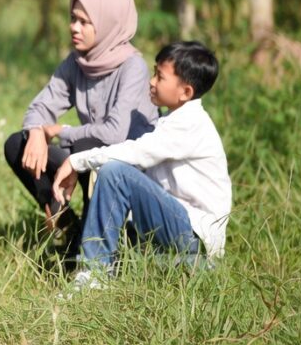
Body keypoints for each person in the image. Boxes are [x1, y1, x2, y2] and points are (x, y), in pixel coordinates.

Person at [52, 41, 231, 286]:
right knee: (132, 255)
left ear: (186, 92)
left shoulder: (190, 124)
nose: (152, 81)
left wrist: (76, 161)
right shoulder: (172, 119)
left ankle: (94, 274)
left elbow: (137, 153)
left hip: (193, 234)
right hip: (179, 226)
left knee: (116, 172)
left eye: (160, 76)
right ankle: (181, 266)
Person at [3, 0, 159, 239]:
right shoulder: (78, 62)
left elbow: (115, 133)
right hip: (88, 153)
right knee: (17, 145)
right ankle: (66, 226)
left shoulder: (133, 67)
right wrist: (35, 133)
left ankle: (94, 242)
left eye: (85, 22)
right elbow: (41, 106)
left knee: (85, 144)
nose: (74, 27)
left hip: (129, 169)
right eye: (73, 18)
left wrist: (60, 131)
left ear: (109, 23)